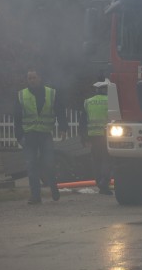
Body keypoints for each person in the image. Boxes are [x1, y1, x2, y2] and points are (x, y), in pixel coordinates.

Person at [14, 68, 67, 204]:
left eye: (34, 77)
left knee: (49, 163)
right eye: (29, 78)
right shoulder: (21, 95)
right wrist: (19, 136)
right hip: (29, 135)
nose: (31, 80)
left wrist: (63, 127)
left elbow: (60, 110)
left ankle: (53, 188)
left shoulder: (51, 93)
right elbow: (17, 118)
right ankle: (35, 196)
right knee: (31, 166)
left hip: (45, 135)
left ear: (40, 78)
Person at [80, 79, 113, 195]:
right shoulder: (110, 101)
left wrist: (83, 138)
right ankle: (104, 182)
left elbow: (83, 121)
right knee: (107, 160)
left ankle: (99, 183)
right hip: (107, 136)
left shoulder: (88, 102)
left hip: (93, 136)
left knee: (97, 161)